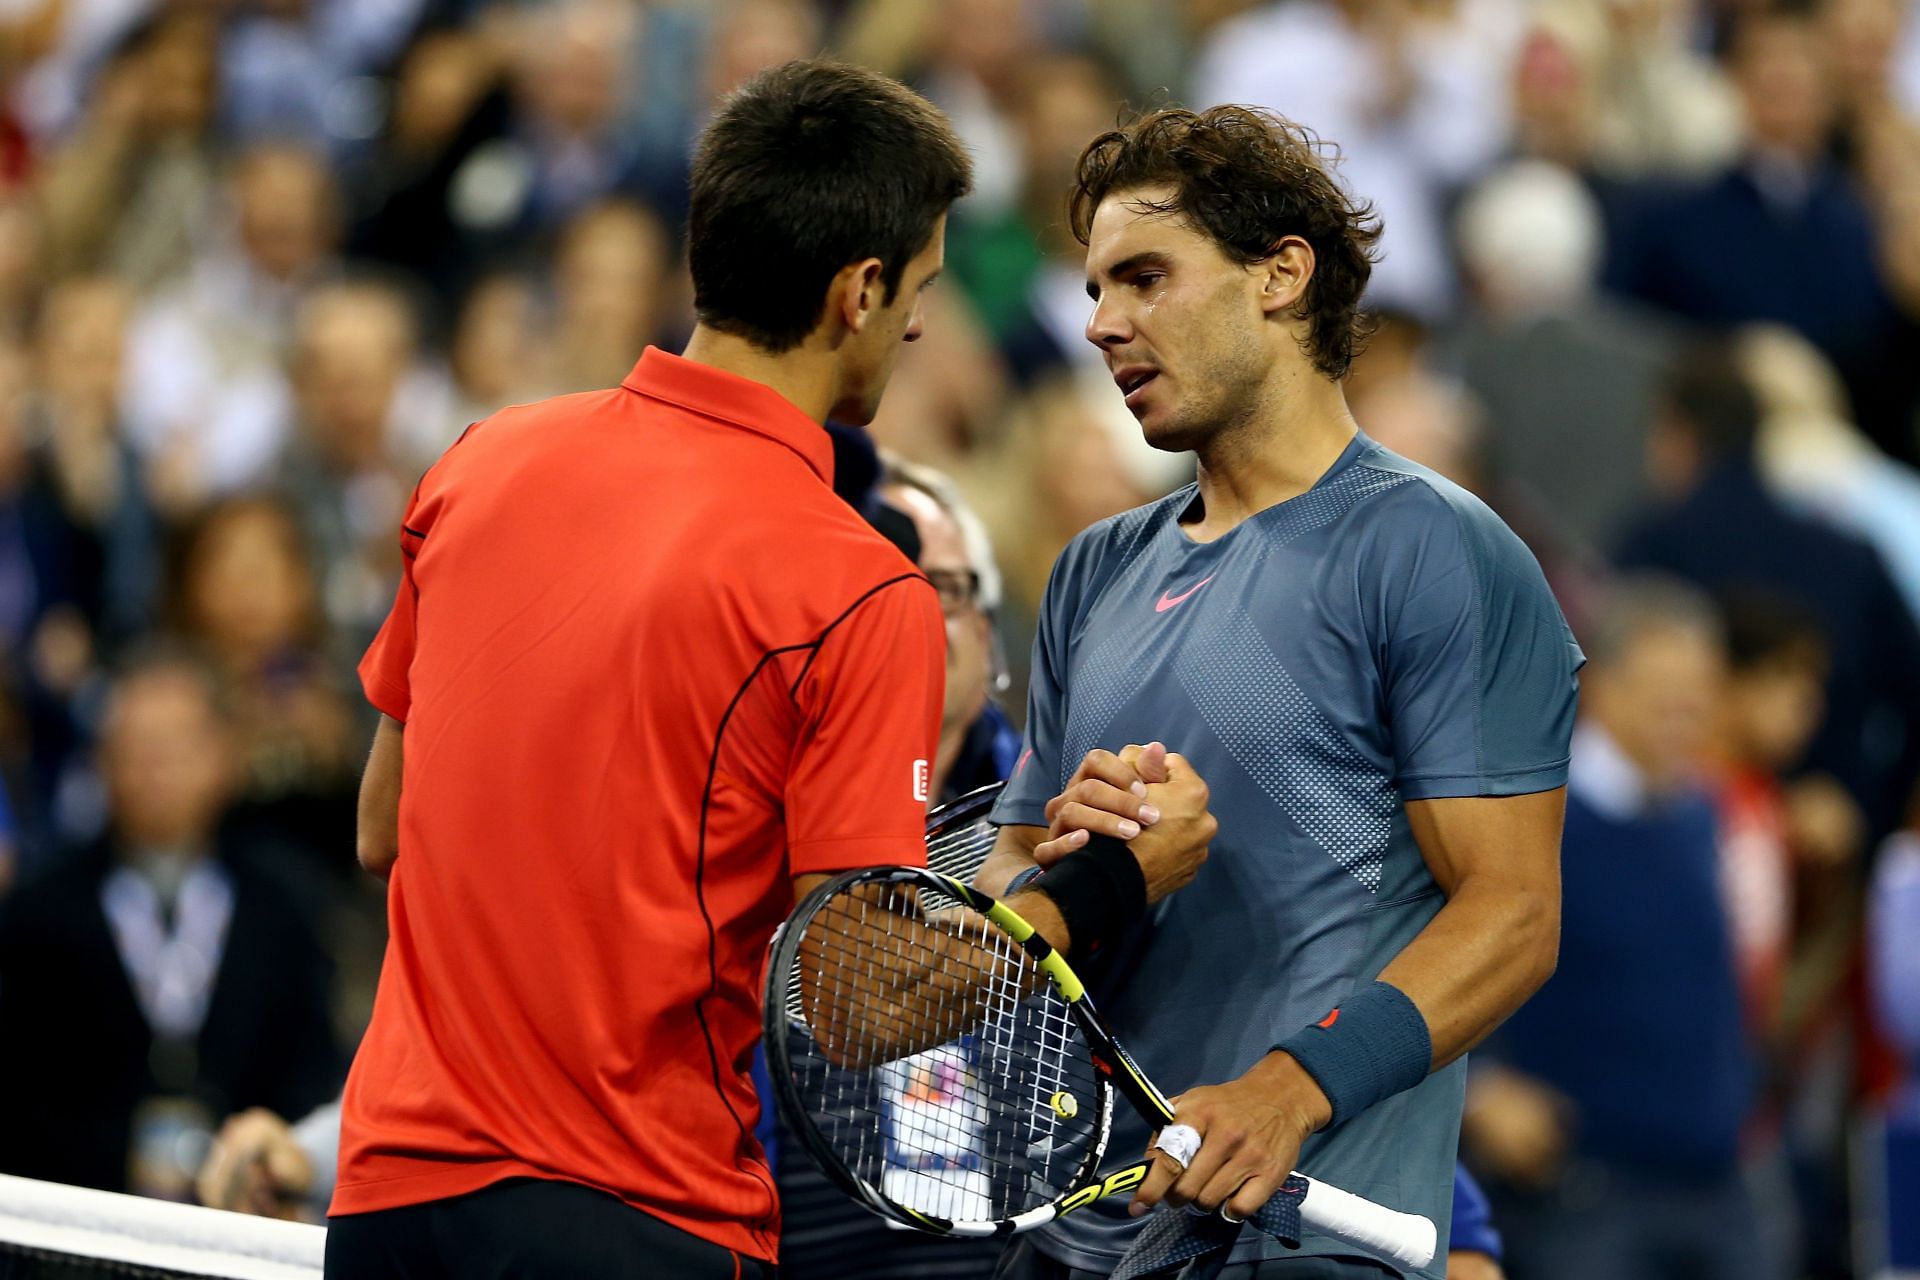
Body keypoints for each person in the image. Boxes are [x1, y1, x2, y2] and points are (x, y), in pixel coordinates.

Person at [321, 60, 1215, 1280]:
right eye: (920, 291)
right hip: (639, 1216)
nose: (916, 328)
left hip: (390, 1208)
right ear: (859, 290)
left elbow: (386, 826)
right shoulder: (858, 587)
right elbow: (857, 1006)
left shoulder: (481, 463)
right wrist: (1103, 887)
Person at [977, 105, 1582, 1279]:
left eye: (1146, 277)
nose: (1104, 323)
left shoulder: (1432, 547)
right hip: (1079, 1233)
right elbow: (1006, 871)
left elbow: (1513, 913)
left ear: (1281, 276)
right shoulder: (1095, 569)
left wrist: (1288, 1088)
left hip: (1305, 1240)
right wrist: (1076, 856)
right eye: (1096, 288)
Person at [1464, 578, 1768, 1280]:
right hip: (1584, 1192)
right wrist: (1479, 1088)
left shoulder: (1704, 816)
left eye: (1699, 692)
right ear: (1603, 687)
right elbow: (1441, 950)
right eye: (1666, 692)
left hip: (1716, 1180)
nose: (1685, 714)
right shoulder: (1535, 816)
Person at [0, 653, 338, 1199]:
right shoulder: (40, 909)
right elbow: (23, 1088)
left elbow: (308, 1063)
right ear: (101, 764)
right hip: (81, 1221)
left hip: (247, 1207)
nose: (154, 768)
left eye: (176, 747)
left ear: (224, 757)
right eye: (135, 749)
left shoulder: (284, 903)